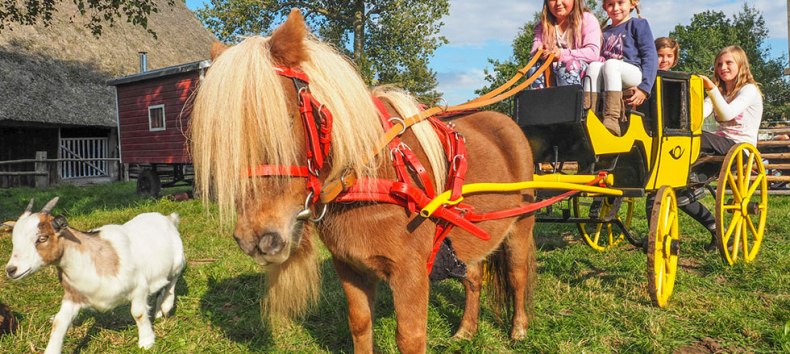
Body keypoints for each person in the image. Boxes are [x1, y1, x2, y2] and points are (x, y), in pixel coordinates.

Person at [647, 45, 763, 250]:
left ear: (741, 65)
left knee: (695, 137)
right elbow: (698, 115)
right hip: (717, 148)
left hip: (740, 148)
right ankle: (717, 231)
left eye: (729, 63)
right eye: (719, 64)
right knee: (677, 192)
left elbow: (726, 114)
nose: (723, 67)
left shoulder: (749, 90)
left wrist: (709, 87)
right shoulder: (720, 92)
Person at [584, 0, 657, 136]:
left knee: (611, 64)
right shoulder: (603, 32)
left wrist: (644, 88)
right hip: (610, 74)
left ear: (632, 4)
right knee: (593, 66)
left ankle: (612, 117)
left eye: (620, 3)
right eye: (610, 4)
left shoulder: (637, 24)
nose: (615, 8)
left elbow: (650, 56)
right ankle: (588, 115)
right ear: (605, 7)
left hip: (633, 72)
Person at [529, 0, 602, 89]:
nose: (558, 3)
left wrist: (561, 54)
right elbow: (534, 49)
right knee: (534, 65)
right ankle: (539, 100)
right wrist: (540, 51)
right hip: (553, 71)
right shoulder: (542, 26)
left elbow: (593, 53)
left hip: (585, 75)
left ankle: (572, 101)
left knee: (568, 66)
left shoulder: (587, 20)